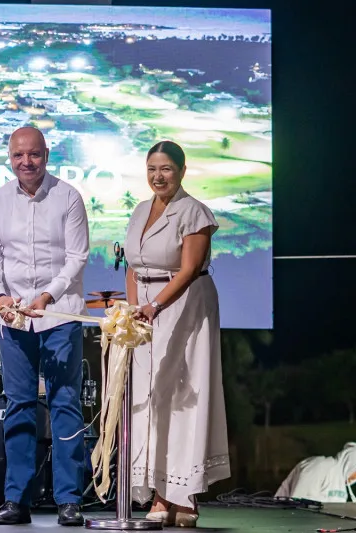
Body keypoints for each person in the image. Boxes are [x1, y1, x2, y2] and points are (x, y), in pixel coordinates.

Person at [0, 126, 88, 527]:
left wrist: (48, 297)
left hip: (59, 315)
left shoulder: (68, 197)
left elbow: (76, 257)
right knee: (19, 406)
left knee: (64, 405)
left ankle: (69, 500)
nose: (27, 162)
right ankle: (16, 500)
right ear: (10, 157)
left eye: (34, 155)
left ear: (47, 154)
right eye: (18, 155)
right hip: (14, 319)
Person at [123, 140, 230, 527]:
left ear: (182, 171)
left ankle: (184, 495)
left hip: (185, 307)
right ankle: (158, 493)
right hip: (148, 312)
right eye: (152, 168)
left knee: (185, 397)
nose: (158, 176)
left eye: (166, 168)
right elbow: (133, 265)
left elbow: (187, 270)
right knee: (151, 398)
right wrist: (135, 308)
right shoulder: (139, 211)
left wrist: (156, 306)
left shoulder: (195, 212)